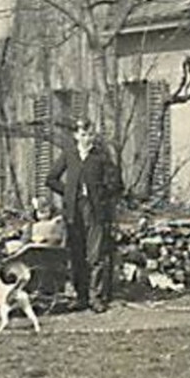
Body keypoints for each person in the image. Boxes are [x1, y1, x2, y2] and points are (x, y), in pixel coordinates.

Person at [45, 118, 124, 312]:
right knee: (77, 255)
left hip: (95, 211)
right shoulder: (68, 155)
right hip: (74, 210)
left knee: (95, 255)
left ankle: (95, 297)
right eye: (82, 134)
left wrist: (101, 195)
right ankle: (81, 297)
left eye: (89, 134)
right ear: (75, 136)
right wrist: (69, 192)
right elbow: (51, 179)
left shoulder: (101, 156)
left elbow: (117, 184)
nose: (86, 138)